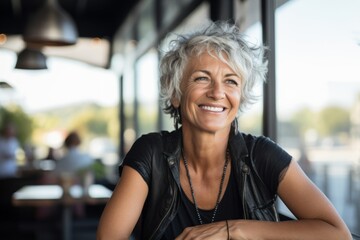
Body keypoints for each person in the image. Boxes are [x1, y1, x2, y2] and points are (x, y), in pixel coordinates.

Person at [97, 21, 352, 239]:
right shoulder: (151, 153)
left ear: (240, 98)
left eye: (230, 81)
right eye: (201, 78)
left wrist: (235, 230)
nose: (217, 92)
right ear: (176, 93)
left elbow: (338, 234)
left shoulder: (262, 155)